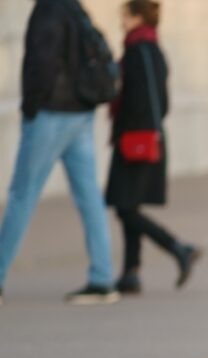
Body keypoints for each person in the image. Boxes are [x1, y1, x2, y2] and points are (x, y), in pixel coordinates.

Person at [0, 0, 118, 306]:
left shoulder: (48, 9)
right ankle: (103, 279)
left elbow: (42, 63)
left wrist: (30, 108)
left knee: (21, 195)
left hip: (51, 114)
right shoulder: (74, 8)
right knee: (89, 195)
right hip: (80, 113)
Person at [106, 0, 199, 295]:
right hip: (144, 138)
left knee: (124, 207)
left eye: (124, 16)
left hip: (135, 140)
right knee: (128, 205)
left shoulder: (138, 50)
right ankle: (130, 273)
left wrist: (127, 127)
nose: (121, 22)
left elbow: (139, 99)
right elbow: (162, 101)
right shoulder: (152, 48)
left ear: (136, 17)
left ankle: (178, 247)